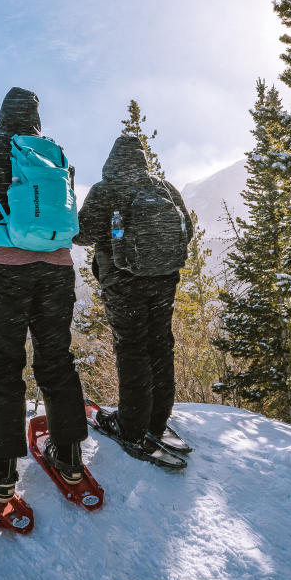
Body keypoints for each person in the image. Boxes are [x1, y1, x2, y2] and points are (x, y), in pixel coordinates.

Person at [0, 87, 88, 502]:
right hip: (58, 269)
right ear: (36, 117)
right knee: (56, 358)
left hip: (5, 269)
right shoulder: (57, 153)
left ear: (2, 117)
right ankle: (68, 456)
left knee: (3, 363)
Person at [74, 134, 192, 465]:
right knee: (160, 346)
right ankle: (157, 421)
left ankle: (131, 426)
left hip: (123, 283)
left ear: (111, 160)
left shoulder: (105, 190)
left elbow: (80, 234)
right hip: (165, 280)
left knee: (132, 350)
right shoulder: (164, 188)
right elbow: (188, 231)